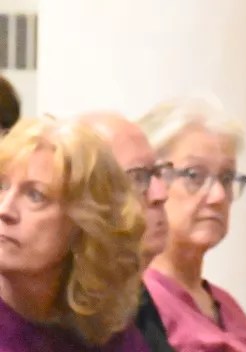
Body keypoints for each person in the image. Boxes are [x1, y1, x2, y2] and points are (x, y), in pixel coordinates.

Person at [0, 116, 148, 350]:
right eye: (1, 186)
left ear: (84, 224)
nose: (5, 210)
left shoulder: (108, 333)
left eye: (35, 196)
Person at [139, 97, 246, 351]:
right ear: (153, 181)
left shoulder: (225, 304)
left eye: (227, 177)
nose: (218, 195)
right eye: (194, 175)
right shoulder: (138, 305)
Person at [80, 112, 177, 352]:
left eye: (157, 173)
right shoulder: (68, 312)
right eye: (138, 177)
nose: (160, 193)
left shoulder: (132, 294)